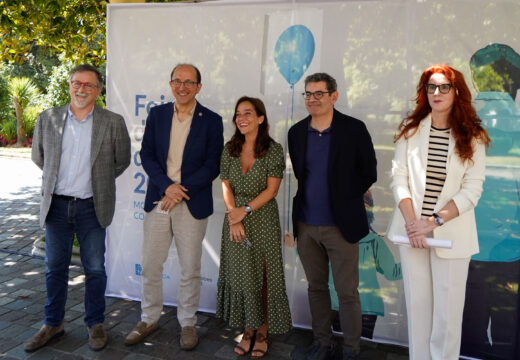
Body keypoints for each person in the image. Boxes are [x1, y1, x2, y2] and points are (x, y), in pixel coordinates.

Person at [387, 64, 490, 360]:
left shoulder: (473, 136)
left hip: (451, 236)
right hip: (412, 234)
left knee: (446, 317)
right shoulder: (410, 131)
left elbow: (472, 190)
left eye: (444, 86)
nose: (437, 92)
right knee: (418, 312)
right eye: (431, 87)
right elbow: (398, 177)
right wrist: (413, 225)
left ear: (457, 92)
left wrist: (432, 222)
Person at [27, 64, 131, 352]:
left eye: (88, 85)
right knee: (54, 269)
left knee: (95, 269)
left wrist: (97, 181)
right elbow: (40, 158)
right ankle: (53, 323)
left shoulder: (112, 121)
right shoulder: (48, 119)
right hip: (56, 207)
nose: (81, 89)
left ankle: (95, 324)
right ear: (69, 85)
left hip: (92, 207)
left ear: (98, 90)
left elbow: (121, 161)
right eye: (76, 83)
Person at [125, 64, 223, 350]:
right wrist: (167, 186)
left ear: (198, 87)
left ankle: (188, 323)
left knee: (190, 268)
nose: (182, 86)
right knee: (152, 264)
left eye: (189, 82)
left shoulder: (212, 120)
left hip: (191, 202)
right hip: (159, 199)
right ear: (170, 84)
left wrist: (180, 191)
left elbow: (212, 164)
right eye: (177, 81)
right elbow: (147, 154)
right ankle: (149, 318)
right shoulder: (157, 114)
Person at [288, 73, 377, 360]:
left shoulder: (353, 129)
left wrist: (346, 197)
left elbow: (369, 172)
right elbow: (303, 176)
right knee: (316, 287)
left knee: (347, 292)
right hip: (306, 224)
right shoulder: (297, 132)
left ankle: (351, 350)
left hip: (342, 225)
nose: (312, 99)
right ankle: (322, 343)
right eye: (308, 94)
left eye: (318, 94)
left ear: (334, 96)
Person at [216, 96, 292, 359]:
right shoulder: (230, 149)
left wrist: (243, 211)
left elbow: (272, 190)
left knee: (261, 279)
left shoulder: (273, 149)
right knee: (242, 277)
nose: (241, 118)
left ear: (261, 118)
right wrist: (233, 216)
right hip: (234, 220)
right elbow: (225, 184)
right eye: (238, 114)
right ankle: (247, 331)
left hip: (262, 221)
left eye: (248, 113)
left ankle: (262, 332)